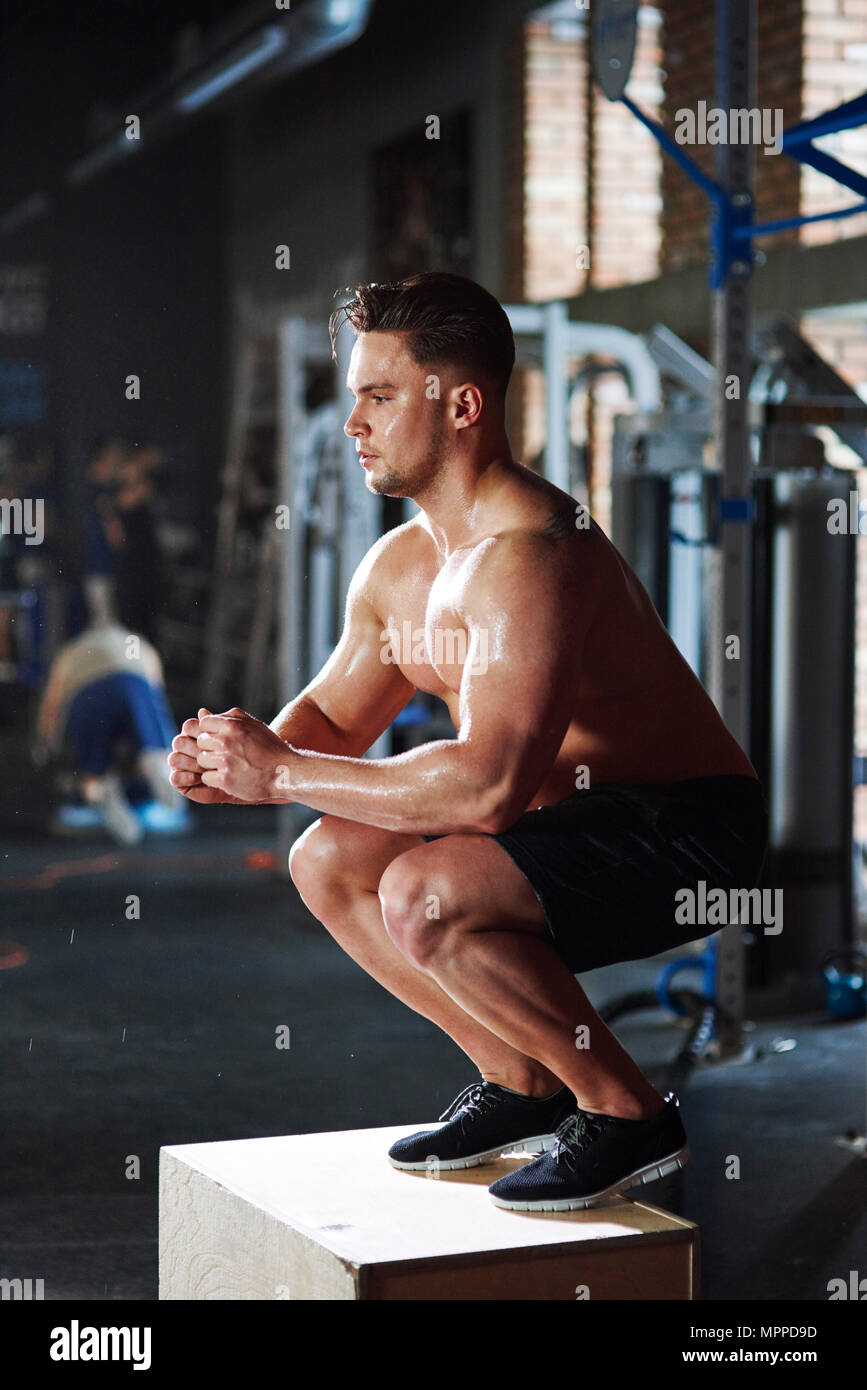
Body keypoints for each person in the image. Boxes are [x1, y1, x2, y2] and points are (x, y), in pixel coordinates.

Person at [168, 271, 768, 1212]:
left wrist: (280, 770)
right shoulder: (401, 564)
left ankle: (626, 1111)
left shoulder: (534, 553)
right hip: (569, 822)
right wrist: (237, 758)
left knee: (424, 891)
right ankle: (520, 1082)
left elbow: (487, 787)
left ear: (462, 405)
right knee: (328, 858)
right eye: (354, 396)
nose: (351, 423)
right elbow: (327, 722)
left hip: (690, 831)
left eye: (378, 396)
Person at [36, 617, 183, 845]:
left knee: (93, 772)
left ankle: (102, 790)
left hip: (87, 693)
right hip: (134, 684)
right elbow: (156, 693)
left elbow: (52, 704)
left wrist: (47, 743)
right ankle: (155, 764)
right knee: (152, 747)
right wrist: (163, 744)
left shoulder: (72, 650)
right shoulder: (135, 643)